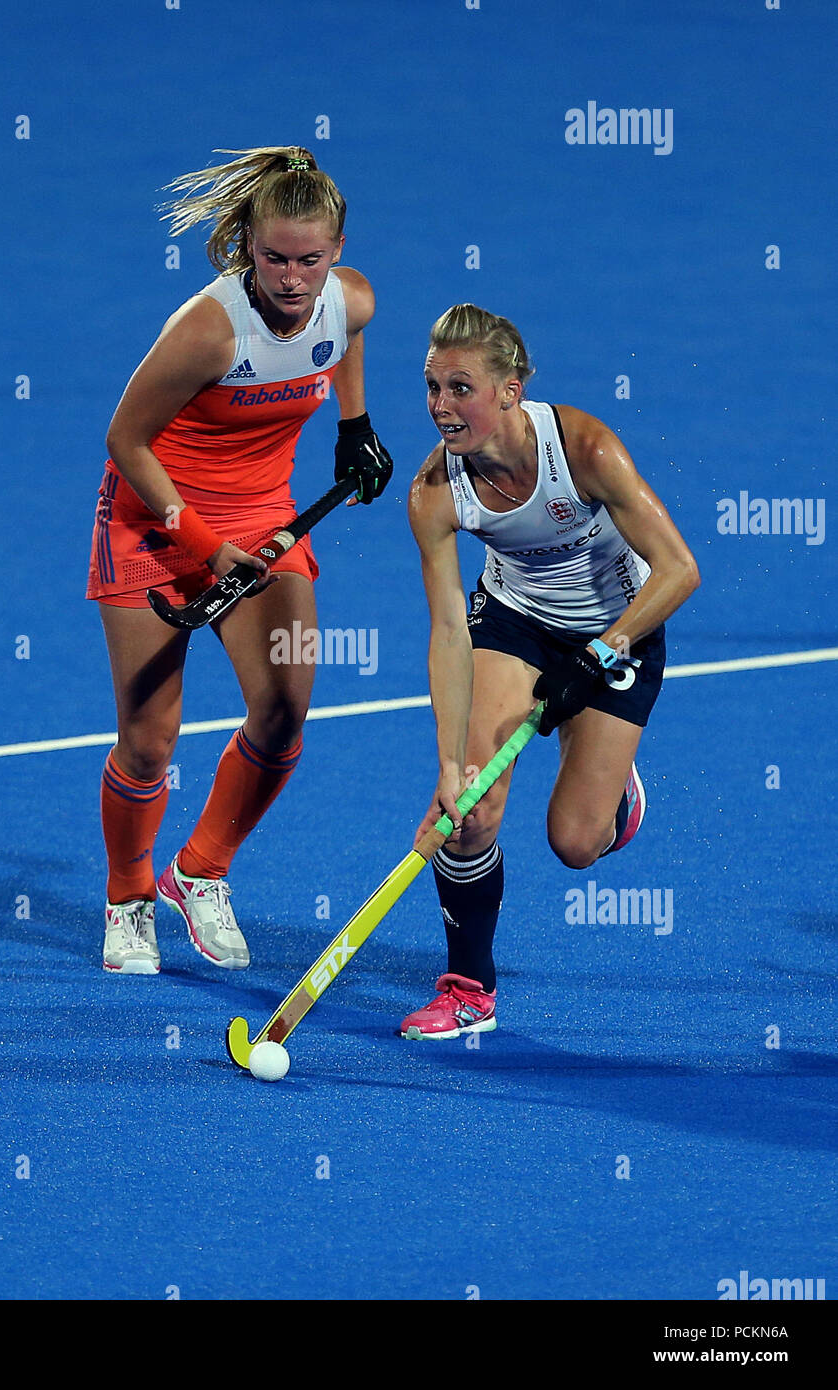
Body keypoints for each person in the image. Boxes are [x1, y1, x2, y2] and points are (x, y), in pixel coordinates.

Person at [87, 146, 392, 975]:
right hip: (154, 523)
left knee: (285, 709)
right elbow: (125, 439)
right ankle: (127, 900)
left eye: (310, 260)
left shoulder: (349, 299)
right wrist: (197, 544)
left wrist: (353, 427)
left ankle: (201, 874)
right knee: (149, 742)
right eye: (273, 259)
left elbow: (346, 334)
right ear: (244, 248)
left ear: (335, 253)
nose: (292, 279)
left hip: (262, 524)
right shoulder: (210, 330)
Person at [403, 304, 699, 1037]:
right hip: (513, 624)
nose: (442, 407)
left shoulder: (585, 449)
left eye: (460, 388)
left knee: (574, 843)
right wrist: (448, 763)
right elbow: (446, 631)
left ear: (510, 389)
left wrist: (601, 654)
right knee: (469, 810)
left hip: (619, 628)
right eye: (432, 387)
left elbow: (678, 570)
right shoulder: (435, 492)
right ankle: (468, 988)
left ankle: (614, 793)